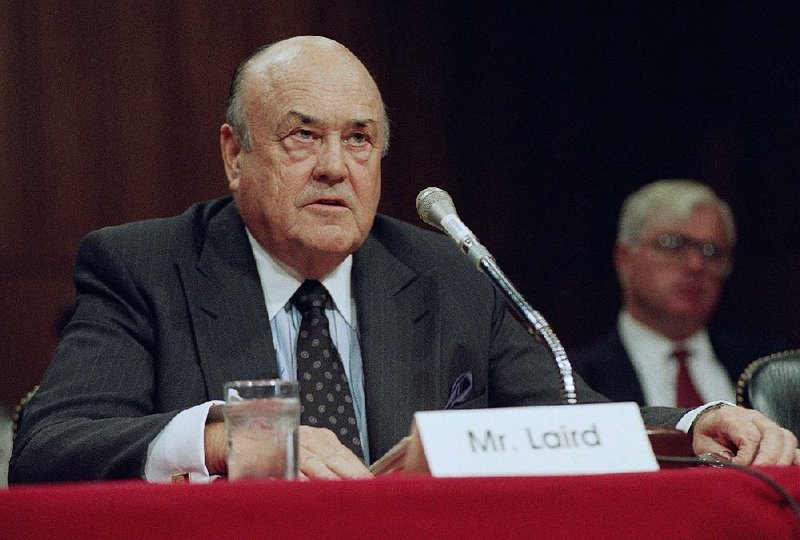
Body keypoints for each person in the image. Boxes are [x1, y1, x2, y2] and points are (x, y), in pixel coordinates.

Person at [9, 38, 798, 484]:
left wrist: (695, 427)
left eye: (358, 139)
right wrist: (228, 437)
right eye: (301, 136)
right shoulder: (144, 267)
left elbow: (564, 416)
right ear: (234, 154)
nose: (334, 166)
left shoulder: (443, 272)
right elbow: (49, 445)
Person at [572, 180, 783, 407]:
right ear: (624, 259)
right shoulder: (576, 384)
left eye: (712, 251)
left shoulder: (771, 371)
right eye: (673, 244)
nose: (696, 264)